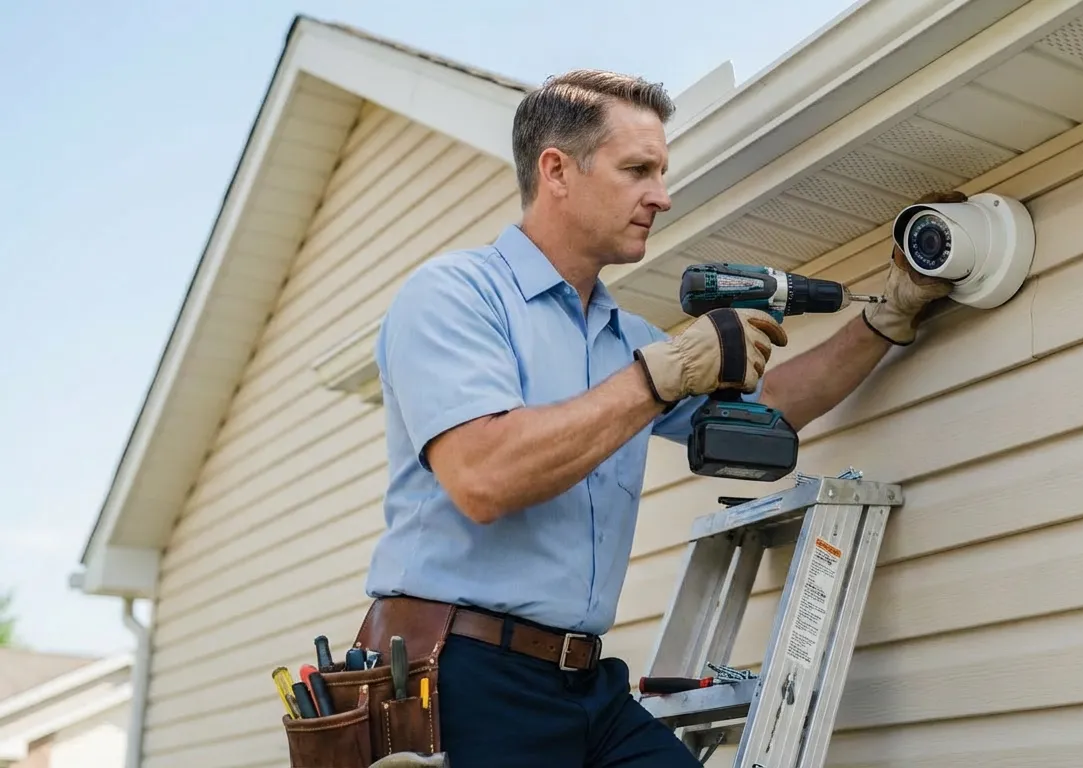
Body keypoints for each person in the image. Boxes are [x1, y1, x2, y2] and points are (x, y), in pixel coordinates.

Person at [363, 68, 954, 767]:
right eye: (638, 169)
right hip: (459, 677)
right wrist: (661, 376)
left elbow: (770, 412)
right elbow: (484, 476)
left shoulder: (628, 338)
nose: (662, 196)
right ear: (556, 170)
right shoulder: (455, 296)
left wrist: (890, 314)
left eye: (662, 171)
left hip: (584, 684)